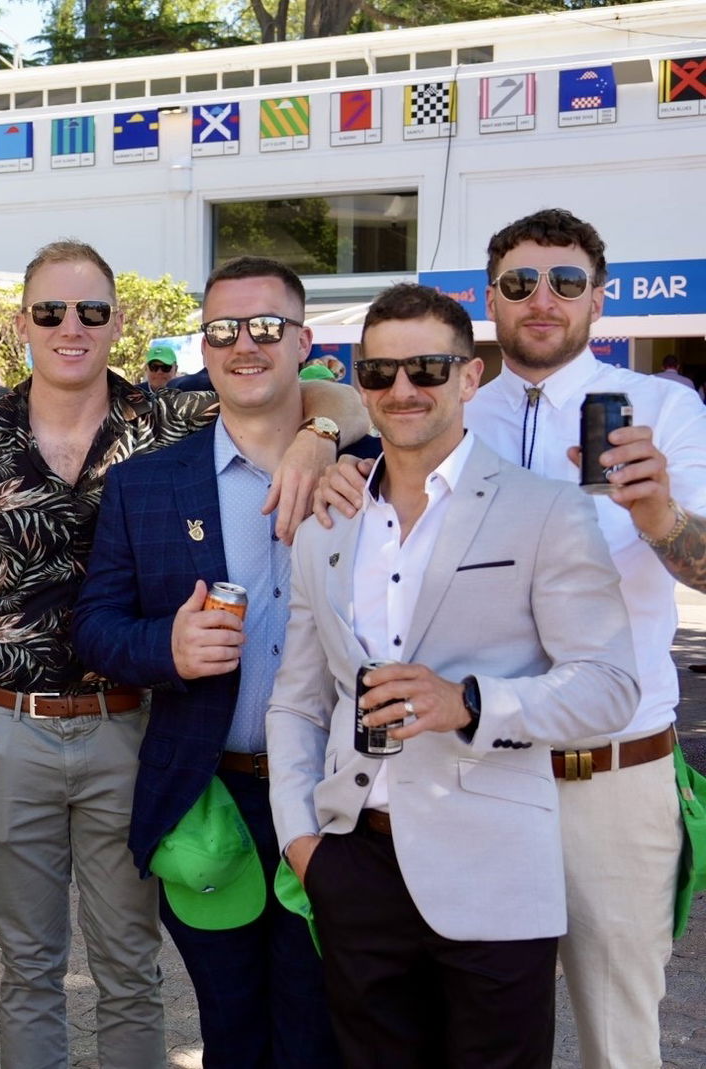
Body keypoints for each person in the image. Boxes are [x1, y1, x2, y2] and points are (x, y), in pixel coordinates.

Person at [0, 239, 369, 1068]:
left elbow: (305, 388)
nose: (71, 327)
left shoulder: (174, 417)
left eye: (91, 311)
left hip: (131, 730)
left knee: (131, 966)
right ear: (23, 322)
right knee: (28, 967)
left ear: (118, 322)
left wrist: (321, 431)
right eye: (51, 311)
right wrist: (22, 685)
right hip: (12, 730)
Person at [315, 210, 706, 1067]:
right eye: (519, 282)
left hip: (607, 770)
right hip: (469, 778)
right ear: (488, 299)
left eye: (565, 282)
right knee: (468, 1035)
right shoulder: (440, 399)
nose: (542, 299)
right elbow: (338, 410)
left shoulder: (666, 412)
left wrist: (660, 515)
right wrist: (324, 441)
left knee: (617, 1039)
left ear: (599, 298)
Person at [272, 282, 638, 1066]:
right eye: (379, 373)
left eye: (428, 369)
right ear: (360, 381)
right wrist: (303, 839)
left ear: (470, 377)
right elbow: (297, 702)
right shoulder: (327, 525)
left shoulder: (545, 510)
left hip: (495, 871)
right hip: (354, 865)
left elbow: (609, 684)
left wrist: (470, 703)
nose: (403, 390)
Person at [74, 256, 361, 1068]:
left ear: (304, 341)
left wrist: (331, 430)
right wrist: (164, 646)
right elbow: (95, 627)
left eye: (267, 326)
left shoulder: (369, 462)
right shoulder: (147, 484)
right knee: (231, 1031)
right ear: (203, 344)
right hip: (211, 797)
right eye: (224, 328)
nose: (245, 344)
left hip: (337, 793)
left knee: (320, 1031)